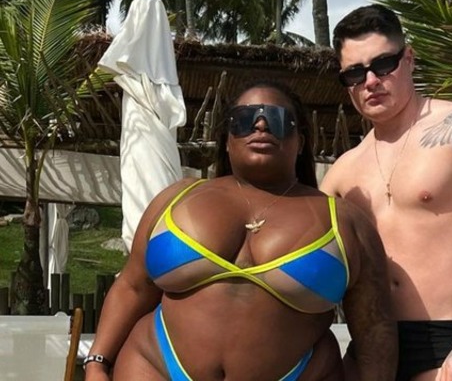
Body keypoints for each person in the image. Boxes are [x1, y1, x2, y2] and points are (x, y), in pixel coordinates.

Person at [84, 80, 397, 380]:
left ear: (300, 141)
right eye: (244, 119)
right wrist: (97, 363)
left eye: (277, 119)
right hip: (154, 366)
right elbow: (133, 287)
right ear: (227, 139)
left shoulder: (345, 222)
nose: (260, 125)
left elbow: (374, 329)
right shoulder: (176, 198)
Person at [321, 4, 452, 381]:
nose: (370, 81)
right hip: (369, 348)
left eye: (383, 65)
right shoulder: (343, 170)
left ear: (408, 59)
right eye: (355, 73)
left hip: (445, 342)